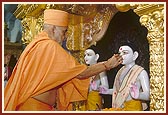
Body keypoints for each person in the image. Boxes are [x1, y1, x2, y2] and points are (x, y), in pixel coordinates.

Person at [4, 9, 123, 111]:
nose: (65, 36)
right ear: (54, 29)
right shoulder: (50, 46)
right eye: (64, 31)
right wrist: (107, 65)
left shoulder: (37, 44)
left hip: (32, 105)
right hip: (34, 107)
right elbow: (81, 73)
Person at [99, 42, 150, 111]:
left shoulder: (140, 72)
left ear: (135, 55)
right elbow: (119, 91)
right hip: (119, 107)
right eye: (120, 53)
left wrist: (138, 95)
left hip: (133, 107)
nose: (121, 56)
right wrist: (107, 91)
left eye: (125, 53)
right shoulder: (120, 71)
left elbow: (148, 95)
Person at [83, 46, 109, 110]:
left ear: (96, 57)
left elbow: (106, 86)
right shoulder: (84, 70)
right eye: (85, 55)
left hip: (95, 98)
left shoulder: (101, 70)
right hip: (84, 99)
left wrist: (97, 88)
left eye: (89, 55)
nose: (86, 57)